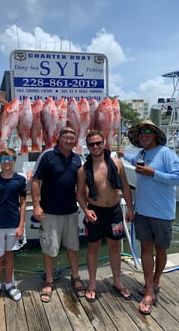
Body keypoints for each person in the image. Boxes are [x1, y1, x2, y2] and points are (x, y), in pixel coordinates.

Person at [118, 120, 179, 314]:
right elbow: (132, 159)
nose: (143, 134)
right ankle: (149, 288)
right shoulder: (142, 154)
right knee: (146, 247)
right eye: (140, 132)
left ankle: (156, 280)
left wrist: (153, 172)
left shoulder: (166, 153)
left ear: (155, 134)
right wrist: (122, 155)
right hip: (142, 211)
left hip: (162, 213)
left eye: (147, 131)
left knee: (161, 249)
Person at [76, 129, 134, 303]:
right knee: (93, 247)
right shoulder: (83, 170)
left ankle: (117, 280)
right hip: (95, 212)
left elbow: (125, 187)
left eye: (98, 143)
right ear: (87, 146)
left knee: (114, 246)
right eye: (91, 144)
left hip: (115, 211)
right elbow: (79, 193)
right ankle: (92, 283)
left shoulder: (116, 163)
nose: (95, 146)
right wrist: (86, 210)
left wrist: (130, 209)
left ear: (104, 144)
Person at [31, 126, 85, 303]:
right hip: (50, 212)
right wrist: (37, 206)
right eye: (66, 137)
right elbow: (35, 180)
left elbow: (81, 186)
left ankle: (75, 277)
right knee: (50, 249)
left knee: (73, 247)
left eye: (72, 138)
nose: (69, 141)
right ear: (58, 138)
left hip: (70, 211)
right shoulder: (47, 155)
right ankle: (49, 281)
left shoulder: (77, 158)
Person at [0, 148, 26, 303]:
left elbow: (22, 204)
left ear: (14, 160)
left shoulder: (20, 180)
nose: (6, 162)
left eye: (9, 159)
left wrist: (21, 225)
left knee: (9, 256)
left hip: (13, 224)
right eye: (3, 159)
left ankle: (9, 285)